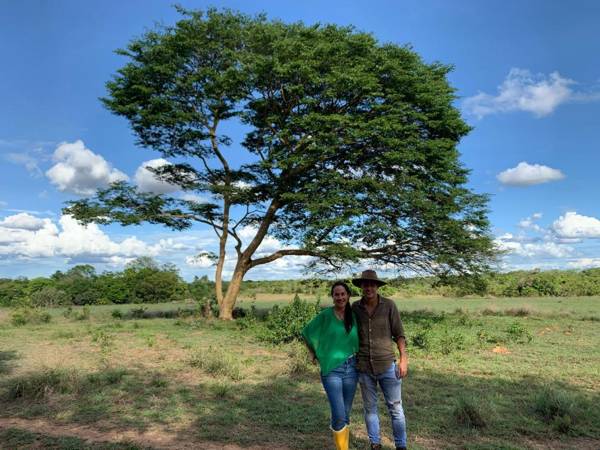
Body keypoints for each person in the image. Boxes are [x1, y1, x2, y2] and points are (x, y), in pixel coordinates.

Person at [351, 270, 408, 450]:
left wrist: (403, 359)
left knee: (396, 409)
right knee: (370, 409)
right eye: (365, 284)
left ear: (377, 286)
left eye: (372, 284)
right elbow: (347, 333)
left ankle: (401, 445)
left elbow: (399, 334)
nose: (368, 287)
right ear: (361, 287)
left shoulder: (389, 305)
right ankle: (375, 444)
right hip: (364, 366)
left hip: (387, 365)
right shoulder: (355, 308)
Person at [302, 281, 359, 450]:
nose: (340, 297)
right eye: (337, 294)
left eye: (343, 294)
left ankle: (342, 443)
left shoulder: (354, 314)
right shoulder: (326, 315)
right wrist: (312, 352)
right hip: (332, 369)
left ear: (348, 295)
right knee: (340, 413)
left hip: (352, 368)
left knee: (345, 412)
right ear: (333, 297)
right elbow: (306, 332)